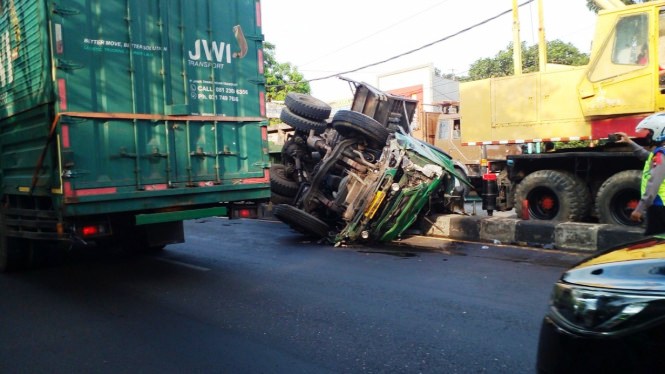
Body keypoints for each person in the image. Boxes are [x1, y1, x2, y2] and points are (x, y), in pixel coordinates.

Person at [616, 112, 665, 235]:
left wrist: (639, 209)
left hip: (659, 206)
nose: (648, 135)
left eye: (651, 132)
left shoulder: (661, 154)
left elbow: (654, 183)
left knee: (654, 242)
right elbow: (648, 157)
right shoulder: (660, 154)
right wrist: (630, 142)